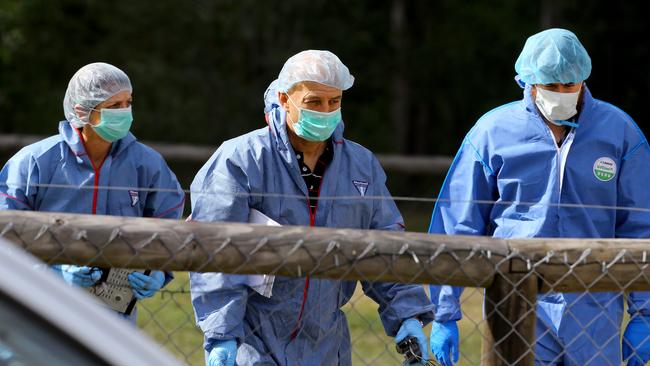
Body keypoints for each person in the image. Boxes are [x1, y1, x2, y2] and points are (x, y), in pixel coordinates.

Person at [189, 50, 435, 366]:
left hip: (326, 343)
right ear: (284, 98)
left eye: (334, 102)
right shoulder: (241, 160)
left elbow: (385, 245)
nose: (326, 111)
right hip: (252, 339)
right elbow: (215, 250)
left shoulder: (360, 167)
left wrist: (407, 315)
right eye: (314, 102)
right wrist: (222, 333)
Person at [427, 28, 650, 366]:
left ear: (584, 79)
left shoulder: (620, 132)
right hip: (514, 300)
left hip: (595, 306)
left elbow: (641, 224)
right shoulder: (491, 132)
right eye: (551, 85)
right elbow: (458, 221)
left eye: (569, 85)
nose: (561, 93)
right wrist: (445, 311)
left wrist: (644, 313)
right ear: (527, 80)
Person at [0, 62, 185, 321]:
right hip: (39, 312)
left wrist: (158, 271)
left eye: (128, 102)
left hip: (113, 320)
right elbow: (6, 234)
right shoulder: (34, 162)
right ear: (82, 110)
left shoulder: (148, 164)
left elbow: (168, 226)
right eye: (113, 106)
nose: (125, 112)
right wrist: (54, 270)